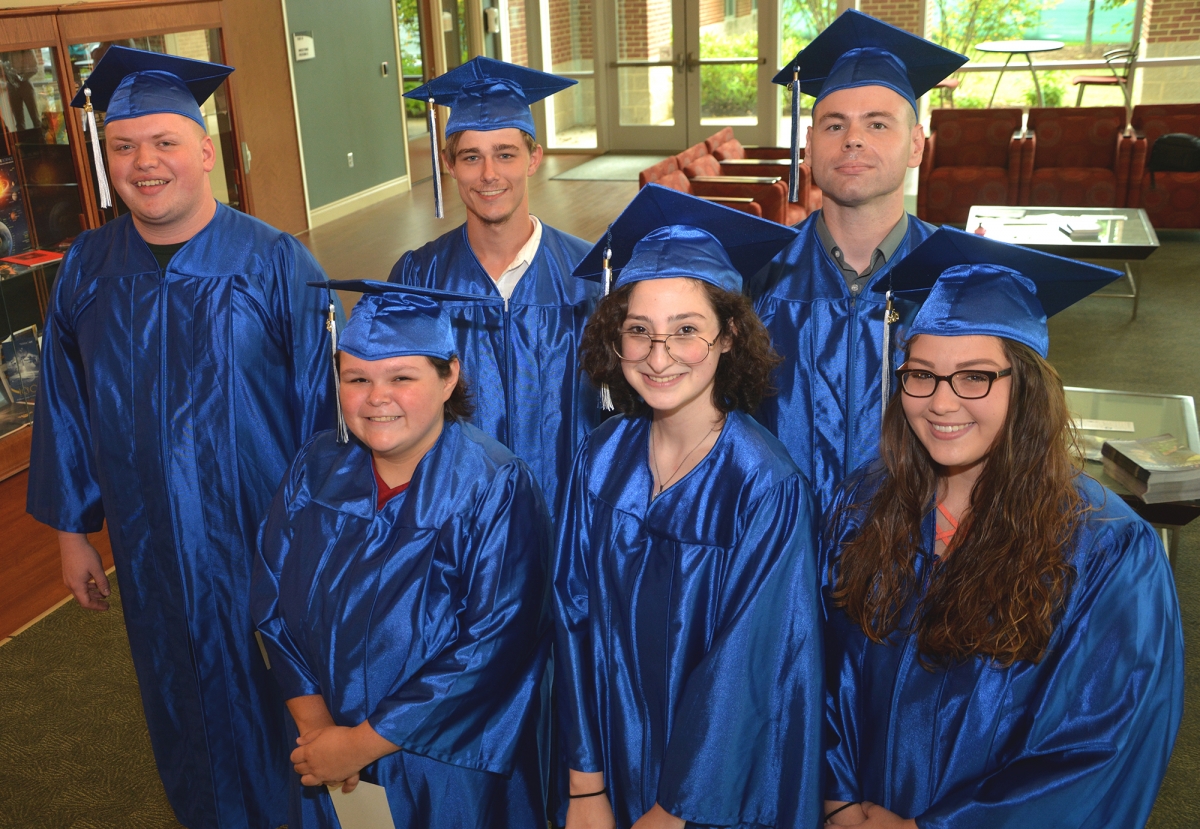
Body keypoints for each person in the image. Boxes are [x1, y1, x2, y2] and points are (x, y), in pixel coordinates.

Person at [26, 47, 338, 829]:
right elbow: (65, 404)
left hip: (266, 542)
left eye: (165, 141)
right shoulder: (88, 266)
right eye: (123, 146)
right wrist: (73, 531)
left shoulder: (274, 263)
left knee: (285, 705)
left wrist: (329, 544)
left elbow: (326, 412)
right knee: (177, 694)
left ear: (205, 152)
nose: (144, 162)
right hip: (150, 542)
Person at [821, 228, 1184, 828]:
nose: (941, 402)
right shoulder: (864, 506)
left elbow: (1099, 749)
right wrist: (835, 800)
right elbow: (819, 671)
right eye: (921, 374)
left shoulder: (1107, 550)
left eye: (975, 376)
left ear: (1027, 388)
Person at [555, 185, 823, 829]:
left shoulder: (764, 484)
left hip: (722, 783)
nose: (659, 355)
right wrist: (586, 785)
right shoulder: (598, 460)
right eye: (638, 332)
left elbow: (749, 666)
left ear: (730, 337)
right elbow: (571, 620)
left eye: (686, 331)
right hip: (612, 759)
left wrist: (675, 810)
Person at [252, 280, 552, 828]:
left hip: (443, 764)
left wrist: (362, 744)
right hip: (327, 749)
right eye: (357, 378)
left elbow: (494, 644)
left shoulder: (495, 486)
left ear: (449, 377)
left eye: (402, 377)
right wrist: (318, 727)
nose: (376, 397)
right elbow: (270, 598)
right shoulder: (316, 466)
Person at [747, 11, 967, 515]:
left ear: (916, 146)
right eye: (834, 124)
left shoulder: (957, 278)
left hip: (914, 550)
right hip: (777, 549)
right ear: (808, 148)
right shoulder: (753, 274)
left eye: (878, 123)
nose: (853, 138)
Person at [389, 57, 600, 516]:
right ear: (448, 164)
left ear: (533, 159)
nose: (489, 174)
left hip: (571, 517)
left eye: (505, 153)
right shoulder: (416, 279)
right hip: (455, 521)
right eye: (471, 157)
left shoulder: (590, 278)